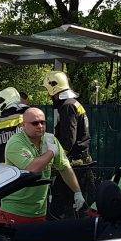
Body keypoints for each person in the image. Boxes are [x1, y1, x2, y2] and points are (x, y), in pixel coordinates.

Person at [0, 107, 84, 225]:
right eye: (35, 123)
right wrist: (51, 152)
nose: (40, 126)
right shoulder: (16, 143)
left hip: (39, 212)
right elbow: (32, 169)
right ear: (24, 125)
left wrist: (77, 192)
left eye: (42, 122)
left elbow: (64, 167)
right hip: (15, 211)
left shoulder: (50, 140)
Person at [44, 71, 93, 219]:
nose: (48, 96)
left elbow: (68, 141)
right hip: (82, 162)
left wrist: (53, 158)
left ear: (54, 89)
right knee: (76, 206)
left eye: (48, 92)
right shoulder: (74, 104)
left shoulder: (67, 106)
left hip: (73, 165)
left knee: (60, 209)